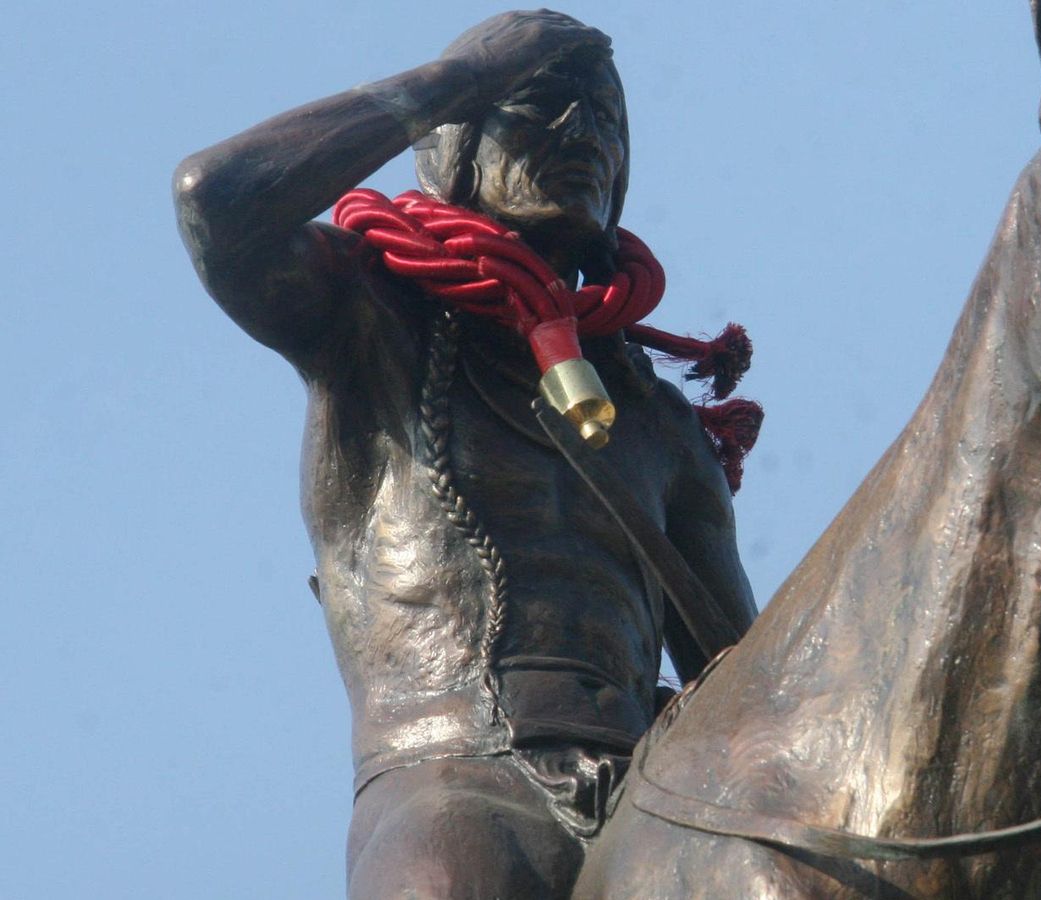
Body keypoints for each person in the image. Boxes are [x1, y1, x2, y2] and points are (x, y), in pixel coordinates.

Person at [173, 11, 757, 898]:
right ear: (454, 148)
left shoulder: (660, 422)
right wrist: (460, 80)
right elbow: (216, 201)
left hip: (651, 794)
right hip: (453, 778)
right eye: (539, 108)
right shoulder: (369, 319)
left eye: (604, 119)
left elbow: (744, 682)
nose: (582, 136)